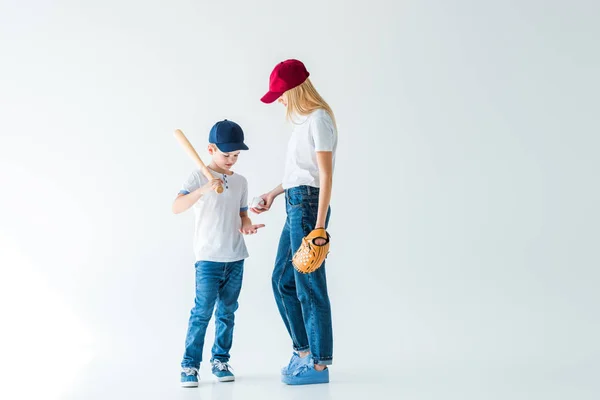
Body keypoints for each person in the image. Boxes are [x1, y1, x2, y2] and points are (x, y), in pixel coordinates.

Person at [252, 59, 338, 385]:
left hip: (308, 208)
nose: (281, 101)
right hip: (295, 204)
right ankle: (303, 352)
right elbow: (298, 174)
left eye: (282, 94)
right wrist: (274, 194)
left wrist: (319, 227)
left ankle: (319, 365)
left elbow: (325, 177)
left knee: (309, 287)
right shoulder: (302, 123)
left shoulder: (319, 120)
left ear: (295, 89)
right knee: (282, 281)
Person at [173, 119, 264, 387]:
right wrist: (203, 189)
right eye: (227, 155)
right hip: (208, 259)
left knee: (227, 312)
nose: (232, 160)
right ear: (211, 149)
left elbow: (242, 214)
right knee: (202, 312)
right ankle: (189, 366)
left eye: (236, 155)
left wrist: (247, 226)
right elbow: (176, 206)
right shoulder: (198, 176)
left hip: (235, 257)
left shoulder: (241, 182)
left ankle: (220, 360)